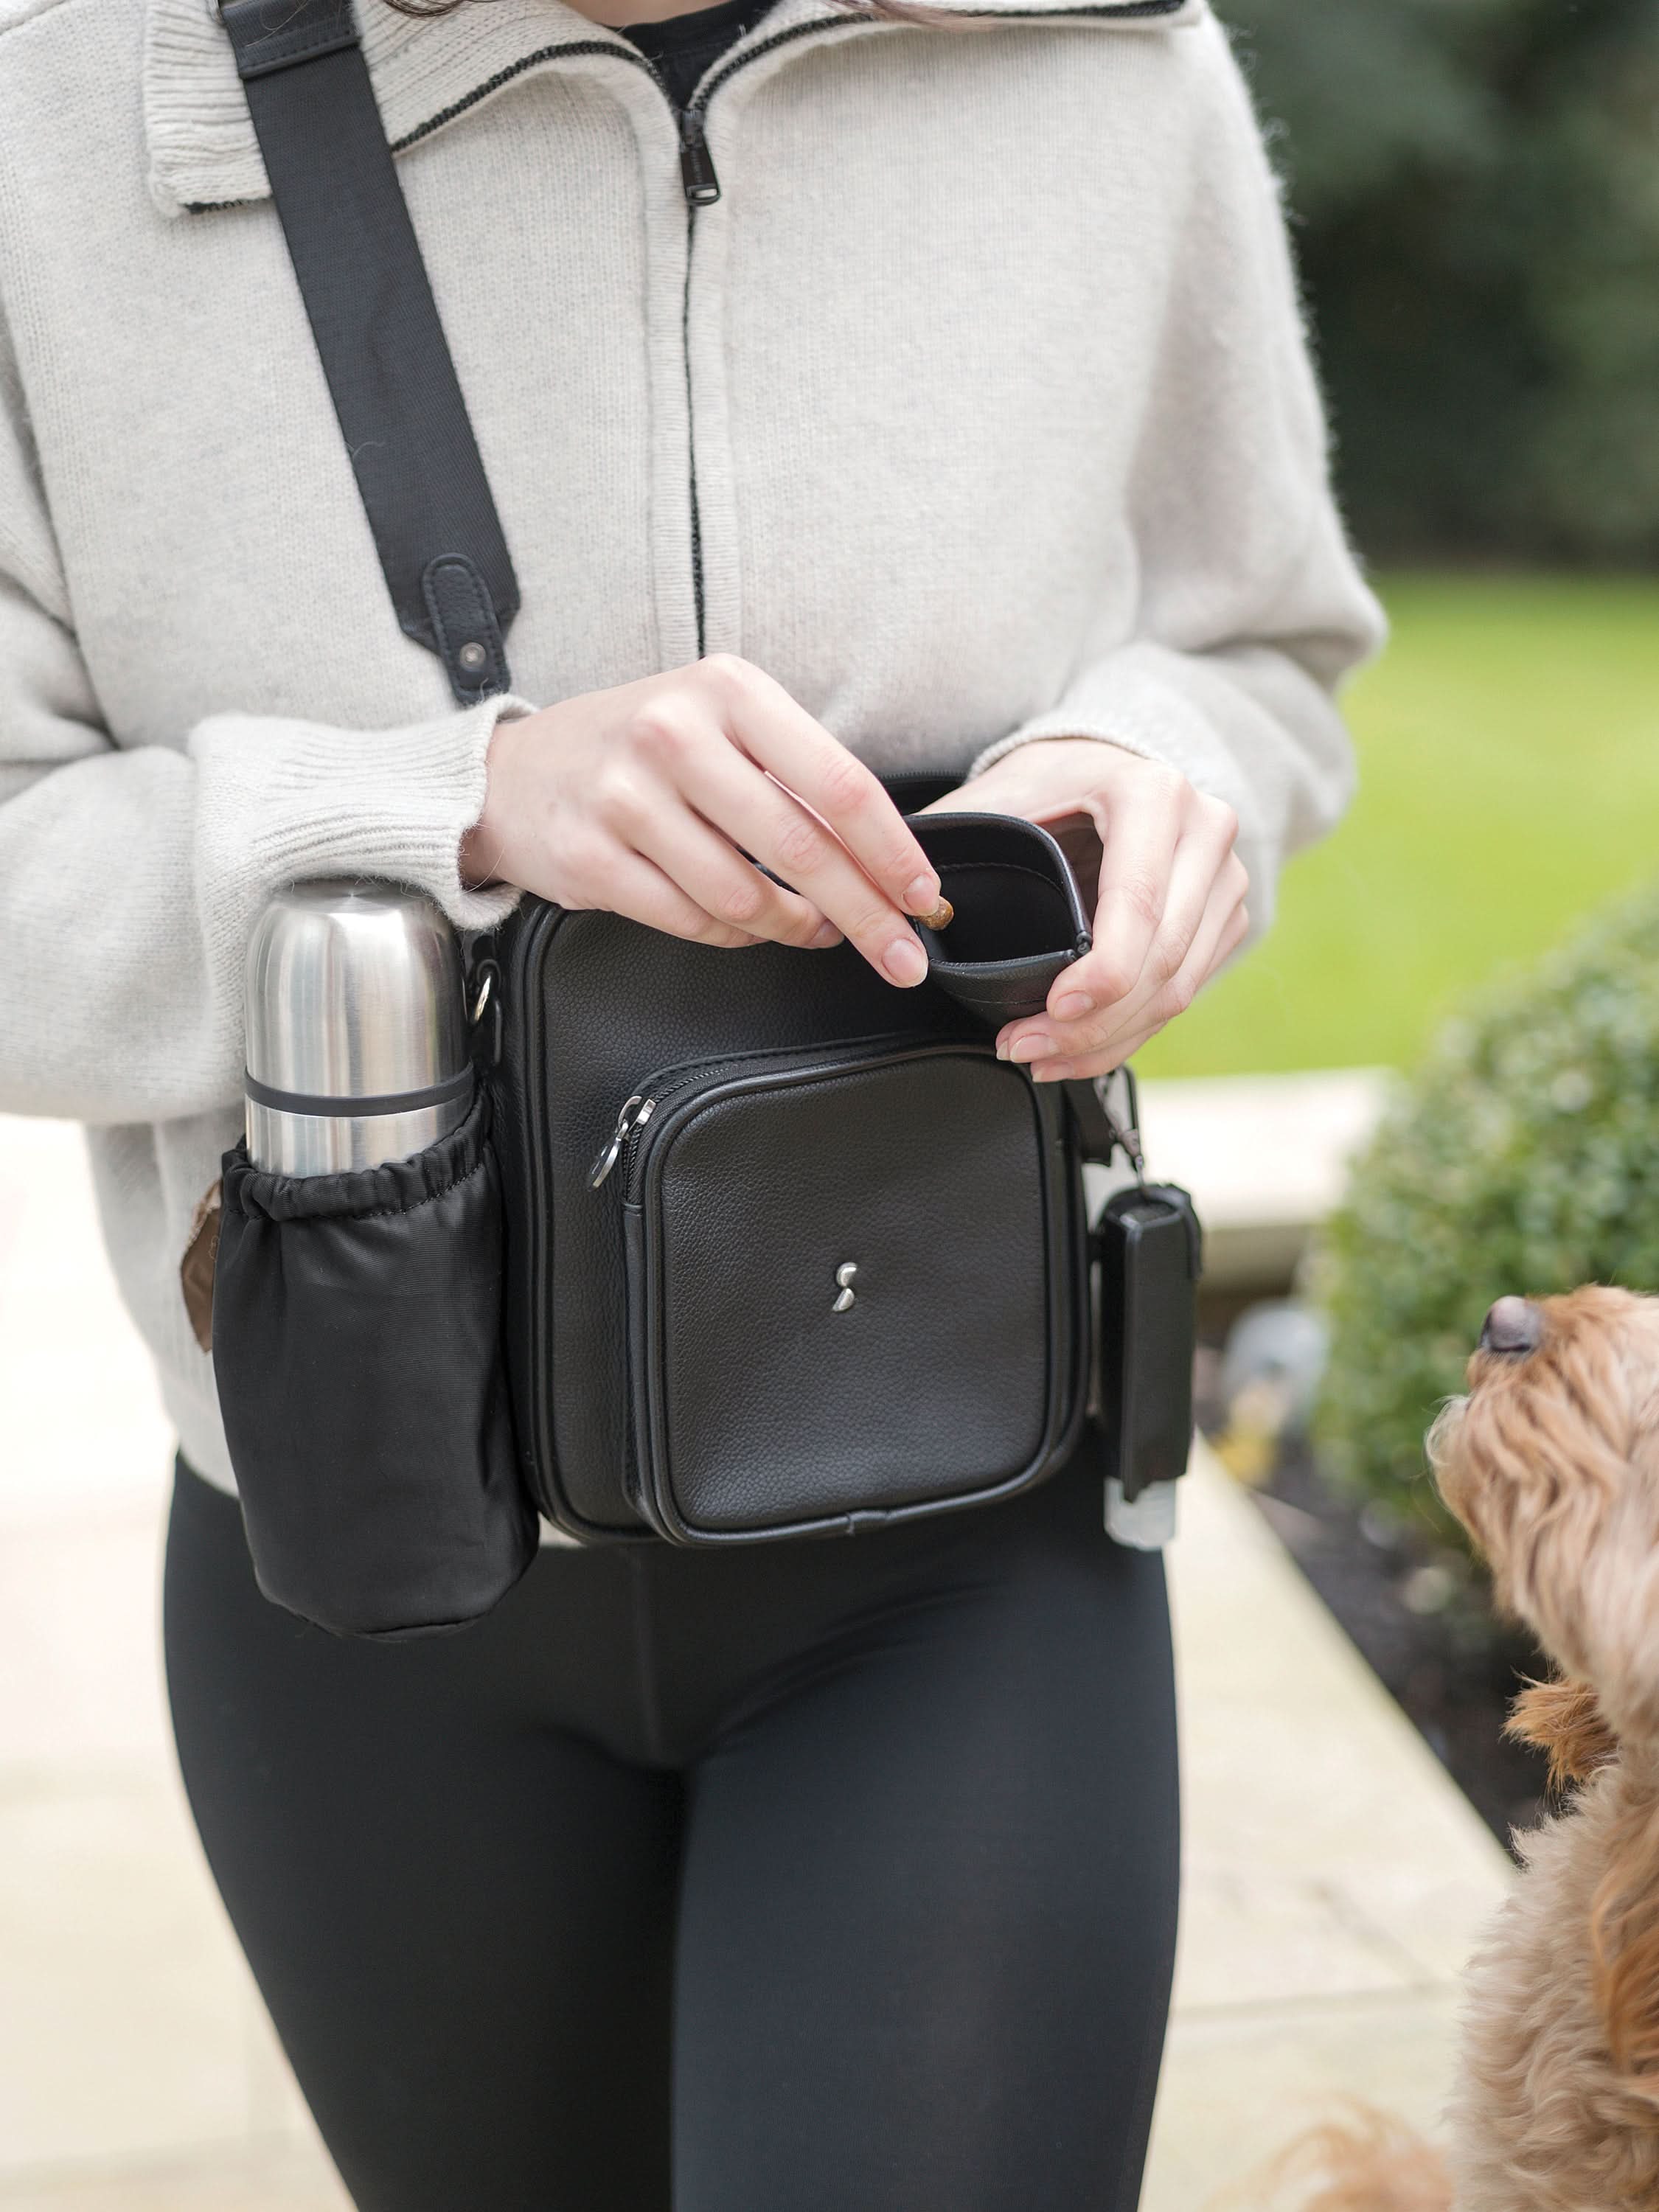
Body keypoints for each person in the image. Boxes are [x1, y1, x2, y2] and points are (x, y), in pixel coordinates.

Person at [0, 0, 1382, 2199]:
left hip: (972, 1514)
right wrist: (450, 808)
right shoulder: (54, 90)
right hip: (362, 1542)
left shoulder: (1112, 53)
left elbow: (1265, 647)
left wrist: (1161, 767)